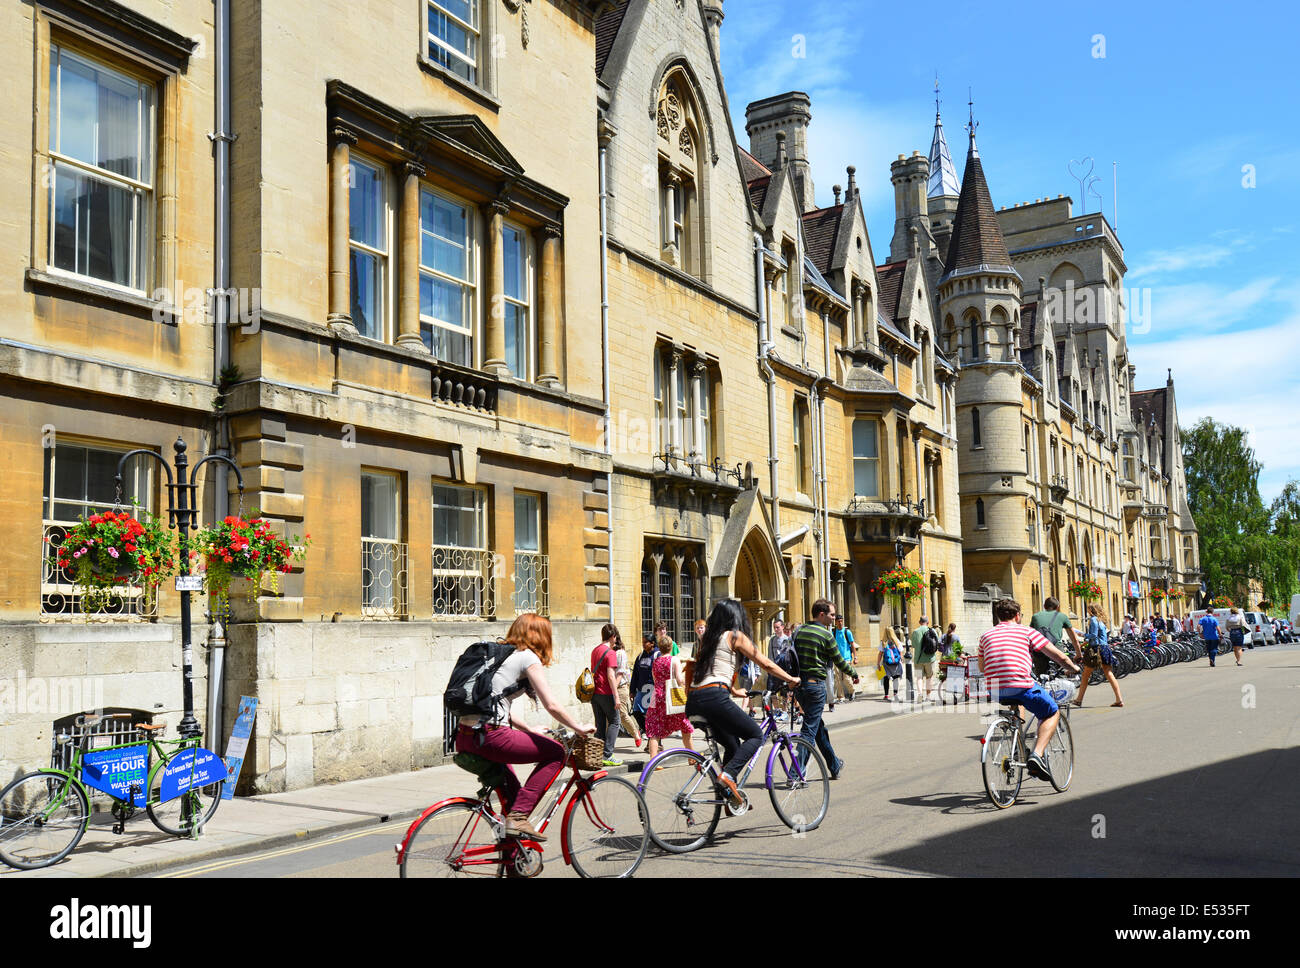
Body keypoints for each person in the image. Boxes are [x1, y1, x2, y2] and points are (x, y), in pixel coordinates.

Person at [454, 613, 594, 842]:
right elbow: (552, 704)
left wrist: (528, 730)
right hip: (492, 736)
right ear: (540, 636)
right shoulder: (526, 657)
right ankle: (519, 818)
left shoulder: (500, 656)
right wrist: (578, 727)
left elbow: (497, 705)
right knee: (557, 753)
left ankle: (510, 856)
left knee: (512, 797)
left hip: (465, 737)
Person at [685, 600, 801, 808]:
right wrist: (791, 679)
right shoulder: (734, 636)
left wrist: (735, 690)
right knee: (755, 735)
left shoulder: (707, 641)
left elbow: (711, 672)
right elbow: (765, 662)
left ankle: (729, 797)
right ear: (735, 618)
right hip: (714, 698)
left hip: (694, 702)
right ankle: (728, 776)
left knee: (732, 745)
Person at [978, 598, 1081, 783]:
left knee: (1014, 701)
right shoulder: (1026, 631)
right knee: (1051, 711)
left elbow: (982, 667)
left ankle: (1017, 744)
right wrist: (1073, 667)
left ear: (998, 616)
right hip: (1020, 684)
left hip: (995, 689)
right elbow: (1054, 653)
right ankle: (1037, 755)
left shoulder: (986, 636)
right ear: (1018, 616)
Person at [793, 599, 859, 779]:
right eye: (831, 615)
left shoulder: (799, 631)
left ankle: (834, 764)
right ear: (821, 614)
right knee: (808, 730)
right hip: (815, 687)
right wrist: (854, 673)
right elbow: (839, 661)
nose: (833, 618)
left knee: (817, 727)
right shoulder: (826, 635)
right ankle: (796, 772)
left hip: (799, 686)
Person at [644, 631, 695, 758]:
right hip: (672, 695)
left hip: (657, 695)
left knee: (654, 729)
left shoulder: (655, 662)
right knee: (684, 725)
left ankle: (653, 760)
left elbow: (655, 679)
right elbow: (678, 679)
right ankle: (692, 757)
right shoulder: (674, 660)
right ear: (671, 647)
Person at [1073, 602, 1124, 707]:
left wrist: (1081, 634)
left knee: (1085, 675)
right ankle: (1119, 699)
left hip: (1096, 650)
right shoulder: (1101, 621)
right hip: (1105, 648)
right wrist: (1083, 643)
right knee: (1109, 674)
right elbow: (1100, 637)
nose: (1087, 611)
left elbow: (1093, 635)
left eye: (1088, 609)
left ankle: (1079, 699)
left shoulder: (1093, 620)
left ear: (1091, 610)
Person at [590, 625, 624, 767]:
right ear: (612, 637)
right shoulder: (610, 653)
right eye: (615, 636)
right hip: (606, 693)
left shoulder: (595, 650)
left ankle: (598, 755)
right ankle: (608, 754)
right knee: (615, 722)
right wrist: (616, 696)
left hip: (594, 693)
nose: (615, 639)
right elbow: (611, 676)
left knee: (600, 724)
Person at [608, 626, 643, 750]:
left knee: (622, 714)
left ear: (615, 637)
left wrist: (614, 687)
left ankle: (636, 734)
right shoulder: (608, 652)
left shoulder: (620, 652)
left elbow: (620, 672)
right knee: (608, 716)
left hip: (620, 687)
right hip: (610, 688)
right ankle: (607, 744)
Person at [629, 635, 657, 736]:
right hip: (641, 690)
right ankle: (649, 733)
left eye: (646, 642)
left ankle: (655, 741)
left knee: (651, 716)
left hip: (653, 690)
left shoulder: (657, 655)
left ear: (652, 643)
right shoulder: (640, 656)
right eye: (643, 642)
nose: (643, 644)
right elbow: (635, 674)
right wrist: (632, 691)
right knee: (636, 712)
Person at [910, 616, 942, 702]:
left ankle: (920, 695)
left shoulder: (915, 632)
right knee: (929, 677)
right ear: (928, 622)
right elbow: (936, 643)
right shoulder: (933, 631)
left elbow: (913, 645)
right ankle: (928, 696)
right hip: (930, 659)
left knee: (919, 677)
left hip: (918, 659)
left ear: (919, 622)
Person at [831, 614, 858, 705]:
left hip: (846, 659)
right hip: (837, 659)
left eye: (842, 621)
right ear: (835, 622)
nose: (840, 622)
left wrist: (855, 657)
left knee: (846, 678)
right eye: (839, 621)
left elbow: (852, 645)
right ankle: (841, 697)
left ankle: (852, 691)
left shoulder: (847, 632)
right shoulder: (833, 632)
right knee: (837, 679)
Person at [877, 629, 904, 701]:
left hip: (886, 663)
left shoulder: (883, 642)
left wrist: (878, 663)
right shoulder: (897, 641)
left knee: (886, 678)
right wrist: (901, 659)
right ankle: (895, 694)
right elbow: (901, 651)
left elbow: (880, 654)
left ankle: (886, 695)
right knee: (895, 678)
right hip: (896, 663)